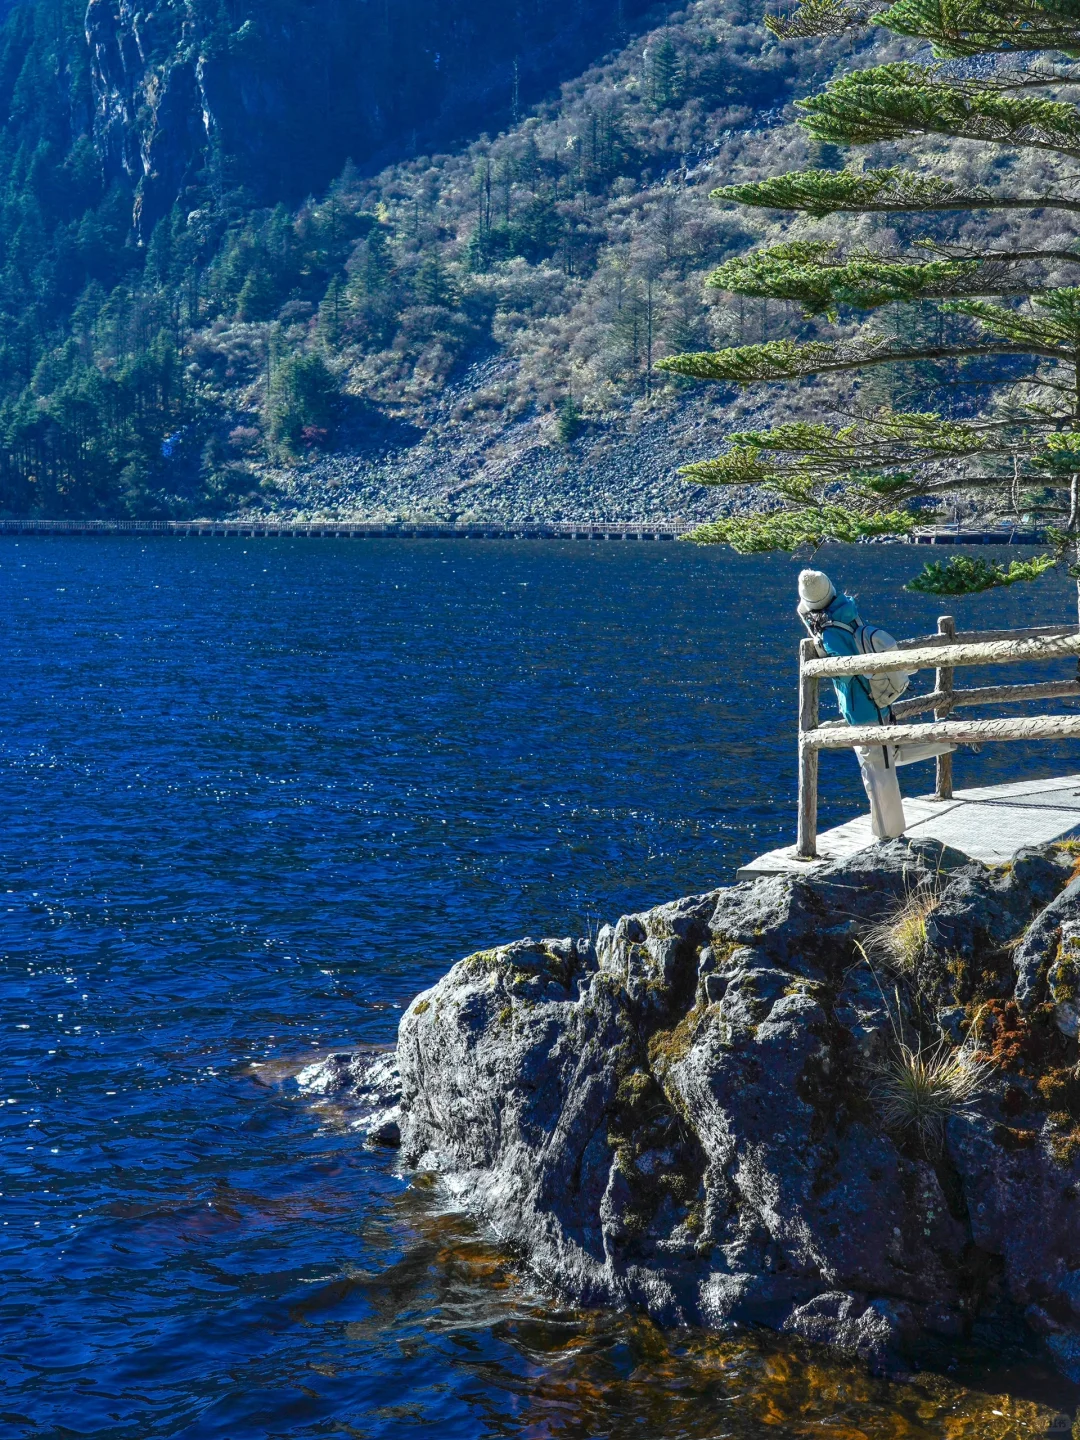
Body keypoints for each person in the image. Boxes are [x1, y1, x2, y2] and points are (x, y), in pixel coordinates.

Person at [796, 568, 907, 840]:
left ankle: (888, 836)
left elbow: (844, 672)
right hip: (875, 696)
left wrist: (821, 657)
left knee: (876, 773)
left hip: (861, 706)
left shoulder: (830, 632)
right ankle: (948, 740)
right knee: (883, 760)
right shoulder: (846, 611)